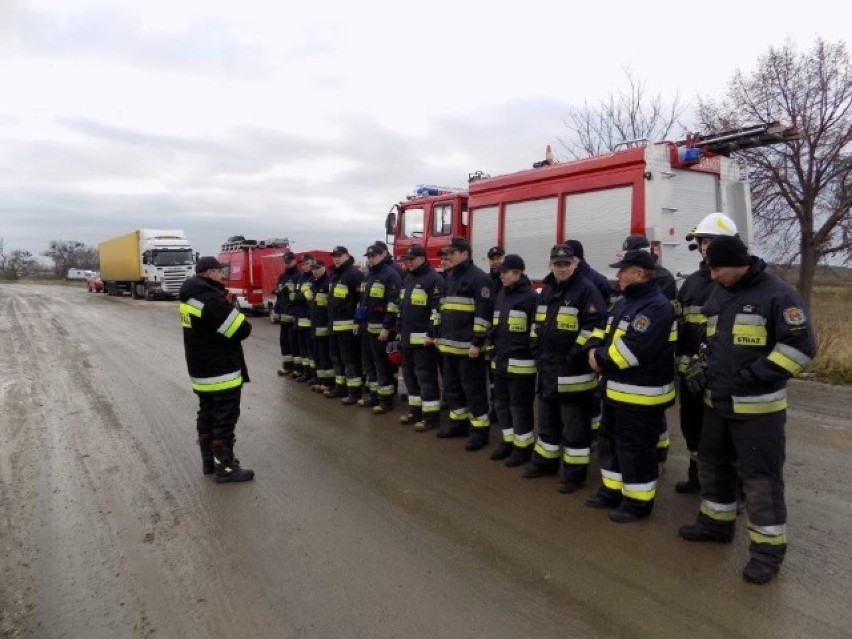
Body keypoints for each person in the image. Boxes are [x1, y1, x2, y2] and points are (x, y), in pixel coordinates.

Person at [678, 235, 815, 585]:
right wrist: (701, 366)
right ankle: (715, 524)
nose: (712, 276)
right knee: (713, 466)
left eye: (717, 268)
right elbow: (714, 340)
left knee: (759, 481)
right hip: (717, 404)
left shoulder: (778, 296)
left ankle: (767, 553)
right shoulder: (721, 292)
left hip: (758, 411)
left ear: (740, 262)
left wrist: (753, 376)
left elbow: (800, 349)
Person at [585, 249, 676, 522]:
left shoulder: (656, 307)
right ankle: (612, 491)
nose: (617, 276)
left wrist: (598, 359)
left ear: (638, 273)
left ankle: (638, 502)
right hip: (615, 390)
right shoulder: (625, 302)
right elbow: (603, 331)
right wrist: (592, 347)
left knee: (635, 451)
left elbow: (631, 351)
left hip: (641, 397)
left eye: (622, 271)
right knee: (610, 444)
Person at [525, 244, 606, 490]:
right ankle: (545, 463)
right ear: (551, 265)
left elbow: (594, 328)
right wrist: (536, 351)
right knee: (548, 421)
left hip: (574, 374)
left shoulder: (587, 291)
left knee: (574, 427)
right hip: (548, 369)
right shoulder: (546, 291)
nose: (562, 269)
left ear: (575, 264)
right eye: (557, 264)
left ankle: (574, 474)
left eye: (566, 264)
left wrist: (571, 356)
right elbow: (536, 325)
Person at [673, 212, 738, 493]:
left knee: (725, 435)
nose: (705, 247)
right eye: (702, 241)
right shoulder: (692, 282)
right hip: (691, 375)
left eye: (710, 240)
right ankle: (696, 475)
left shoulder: (737, 283)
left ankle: (734, 488)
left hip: (723, 376)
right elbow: (680, 326)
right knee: (692, 427)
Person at [179, 256, 254, 482]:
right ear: (210, 272)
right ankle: (226, 468)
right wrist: (232, 307)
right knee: (224, 419)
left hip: (201, 369)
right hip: (221, 370)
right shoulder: (210, 298)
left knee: (207, 416)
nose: (222, 275)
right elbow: (241, 329)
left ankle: (210, 463)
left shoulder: (189, 293)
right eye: (220, 272)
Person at [435, 236, 494, 451]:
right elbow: (443, 310)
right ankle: (458, 424)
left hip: (469, 349)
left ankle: (479, 431)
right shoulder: (450, 277)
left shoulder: (479, 279)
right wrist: (437, 335)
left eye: (452, 252)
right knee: (451, 389)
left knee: (474, 391)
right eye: (447, 253)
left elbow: (483, 314)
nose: (447, 256)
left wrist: (477, 343)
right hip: (448, 347)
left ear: (465, 254)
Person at [487, 254, 539, 465]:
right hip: (500, 361)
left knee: (520, 408)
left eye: (504, 273)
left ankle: (523, 446)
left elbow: (535, 333)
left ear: (516, 273)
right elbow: (495, 326)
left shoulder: (532, 298)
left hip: (521, 364)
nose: (501, 277)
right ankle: (508, 441)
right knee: (501, 405)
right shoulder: (501, 295)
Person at [397, 244, 445, 431]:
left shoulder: (434, 280)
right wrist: (399, 329)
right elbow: (402, 307)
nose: (408, 262)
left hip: (424, 340)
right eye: (406, 260)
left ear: (422, 258)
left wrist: (432, 335)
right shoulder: (408, 278)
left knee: (426, 379)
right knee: (410, 376)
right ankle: (414, 412)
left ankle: (431, 417)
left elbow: (437, 311)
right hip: (407, 338)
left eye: (412, 259)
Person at [356, 243, 402, 414]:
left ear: (383, 255)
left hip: (381, 331)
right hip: (367, 329)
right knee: (369, 365)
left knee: (382, 367)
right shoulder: (368, 276)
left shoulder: (390, 275)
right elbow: (363, 302)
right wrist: (359, 322)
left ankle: (386, 401)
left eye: (373, 256)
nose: (370, 259)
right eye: (368, 256)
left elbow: (393, 304)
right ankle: (374, 396)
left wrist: (387, 327)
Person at [326, 246, 365, 404]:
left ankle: (354, 392)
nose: (336, 258)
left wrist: (358, 321)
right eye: (334, 256)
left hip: (348, 327)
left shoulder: (354, 274)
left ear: (347, 256)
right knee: (336, 359)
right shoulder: (336, 274)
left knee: (349, 360)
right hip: (334, 325)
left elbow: (362, 300)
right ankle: (340, 387)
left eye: (339, 256)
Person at [308, 259, 335, 393]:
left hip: (323, 326)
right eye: (313, 268)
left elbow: (329, 307)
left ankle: (328, 383)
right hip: (315, 325)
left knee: (325, 356)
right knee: (317, 355)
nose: (315, 271)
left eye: (317, 268)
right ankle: (319, 380)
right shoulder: (314, 283)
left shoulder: (328, 283)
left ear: (324, 268)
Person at [272, 251, 299, 376]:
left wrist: (296, 314)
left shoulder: (299, 276)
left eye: (289, 261)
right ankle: (287, 367)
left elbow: (299, 298)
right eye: (286, 262)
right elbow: (279, 295)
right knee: (285, 343)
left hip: (293, 315)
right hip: (283, 316)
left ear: (294, 260)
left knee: (295, 343)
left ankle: (297, 369)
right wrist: (275, 310)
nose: (287, 264)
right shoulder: (282, 277)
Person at [293, 254, 317, 383]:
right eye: (303, 264)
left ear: (312, 263)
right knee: (303, 349)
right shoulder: (301, 277)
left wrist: (300, 296)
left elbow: (310, 297)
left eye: (307, 263)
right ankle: (306, 372)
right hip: (299, 318)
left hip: (309, 320)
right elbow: (298, 296)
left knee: (311, 349)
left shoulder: (314, 278)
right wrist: (300, 296)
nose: (305, 266)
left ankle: (314, 375)